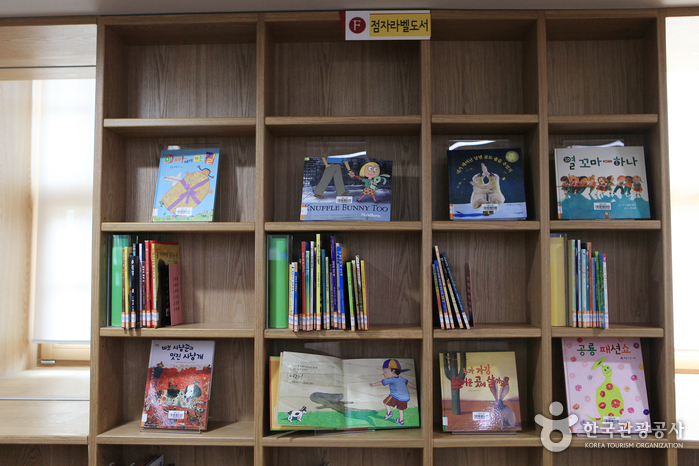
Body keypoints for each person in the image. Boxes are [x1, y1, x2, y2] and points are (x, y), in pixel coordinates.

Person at [369, 359, 416, 425]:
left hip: (396, 396)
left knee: (385, 402)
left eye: (385, 372)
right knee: (401, 409)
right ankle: (401, 421)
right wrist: (414, 386)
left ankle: (389, 412)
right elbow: (407, 383)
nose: (383, 374)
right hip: (405, 397)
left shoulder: (392, 379)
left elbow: (382, 382)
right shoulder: (401, 378)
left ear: (393, 371)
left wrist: (374, 384)